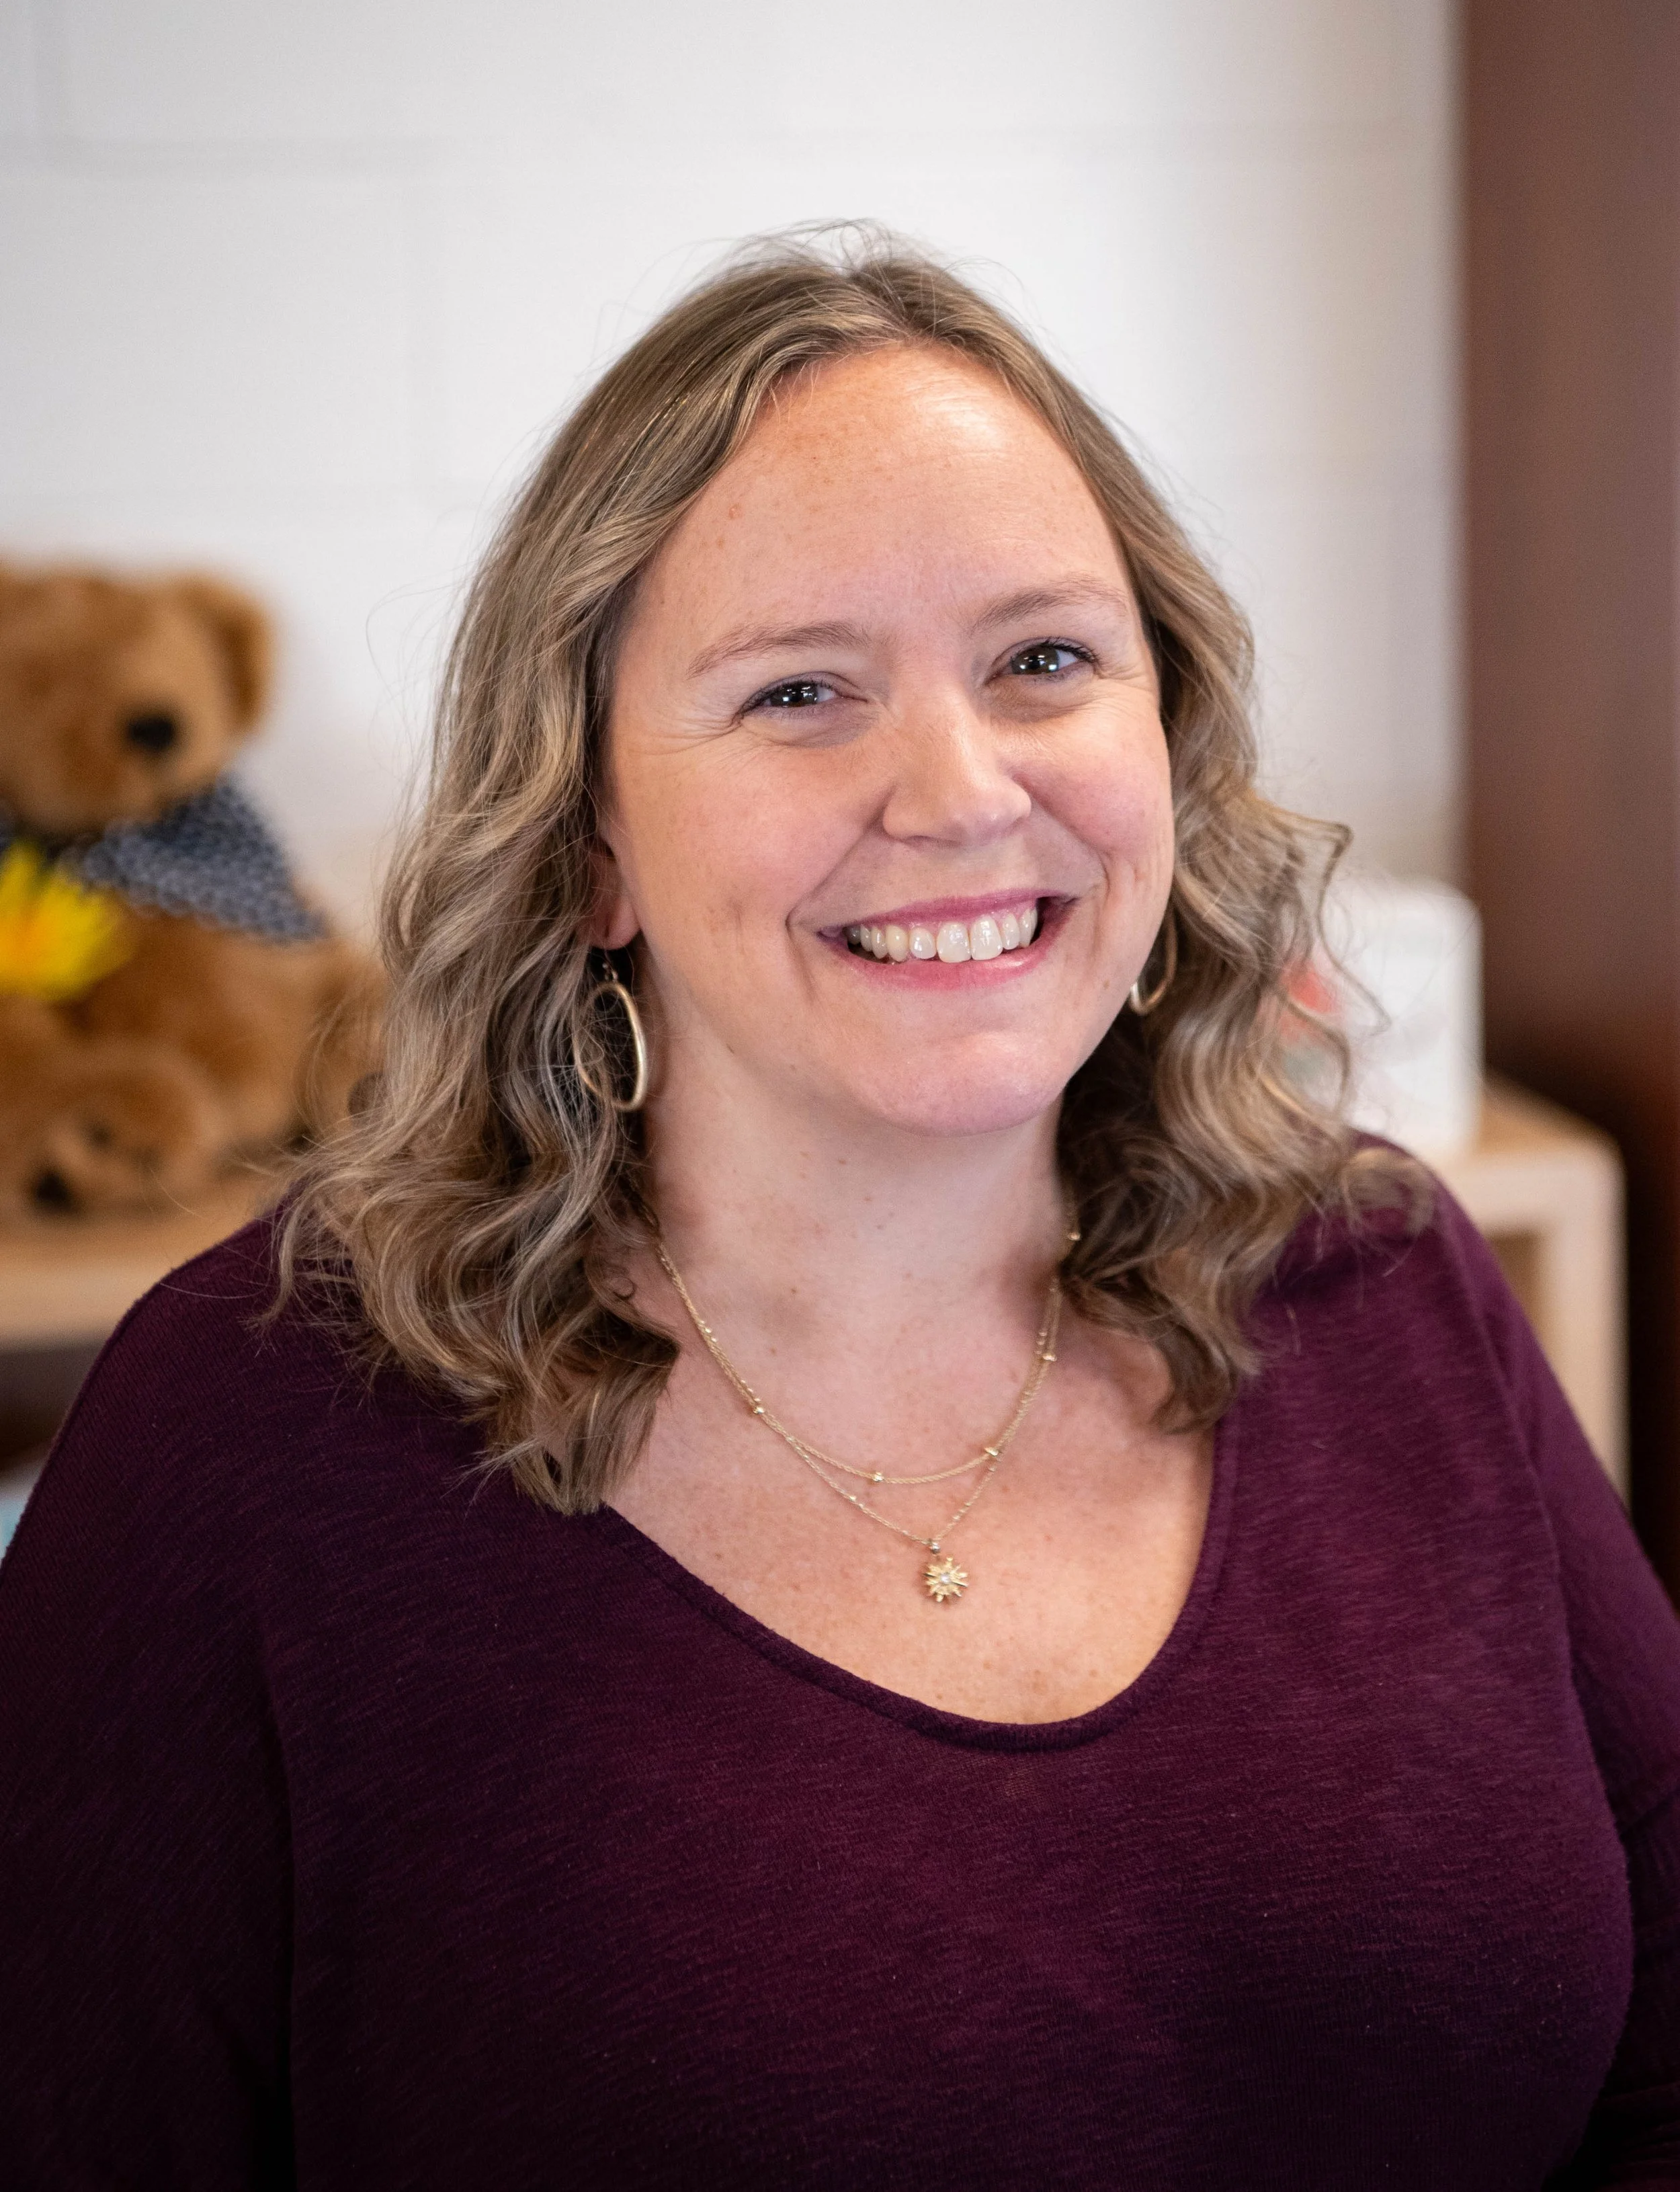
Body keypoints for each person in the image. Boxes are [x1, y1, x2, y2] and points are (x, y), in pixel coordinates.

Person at [0, 234, 1676, 2191]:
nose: (957, 793)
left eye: (1043, 660)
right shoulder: (240, 1442)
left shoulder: (1382, 1275)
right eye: (799, 691)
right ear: (590, 843)